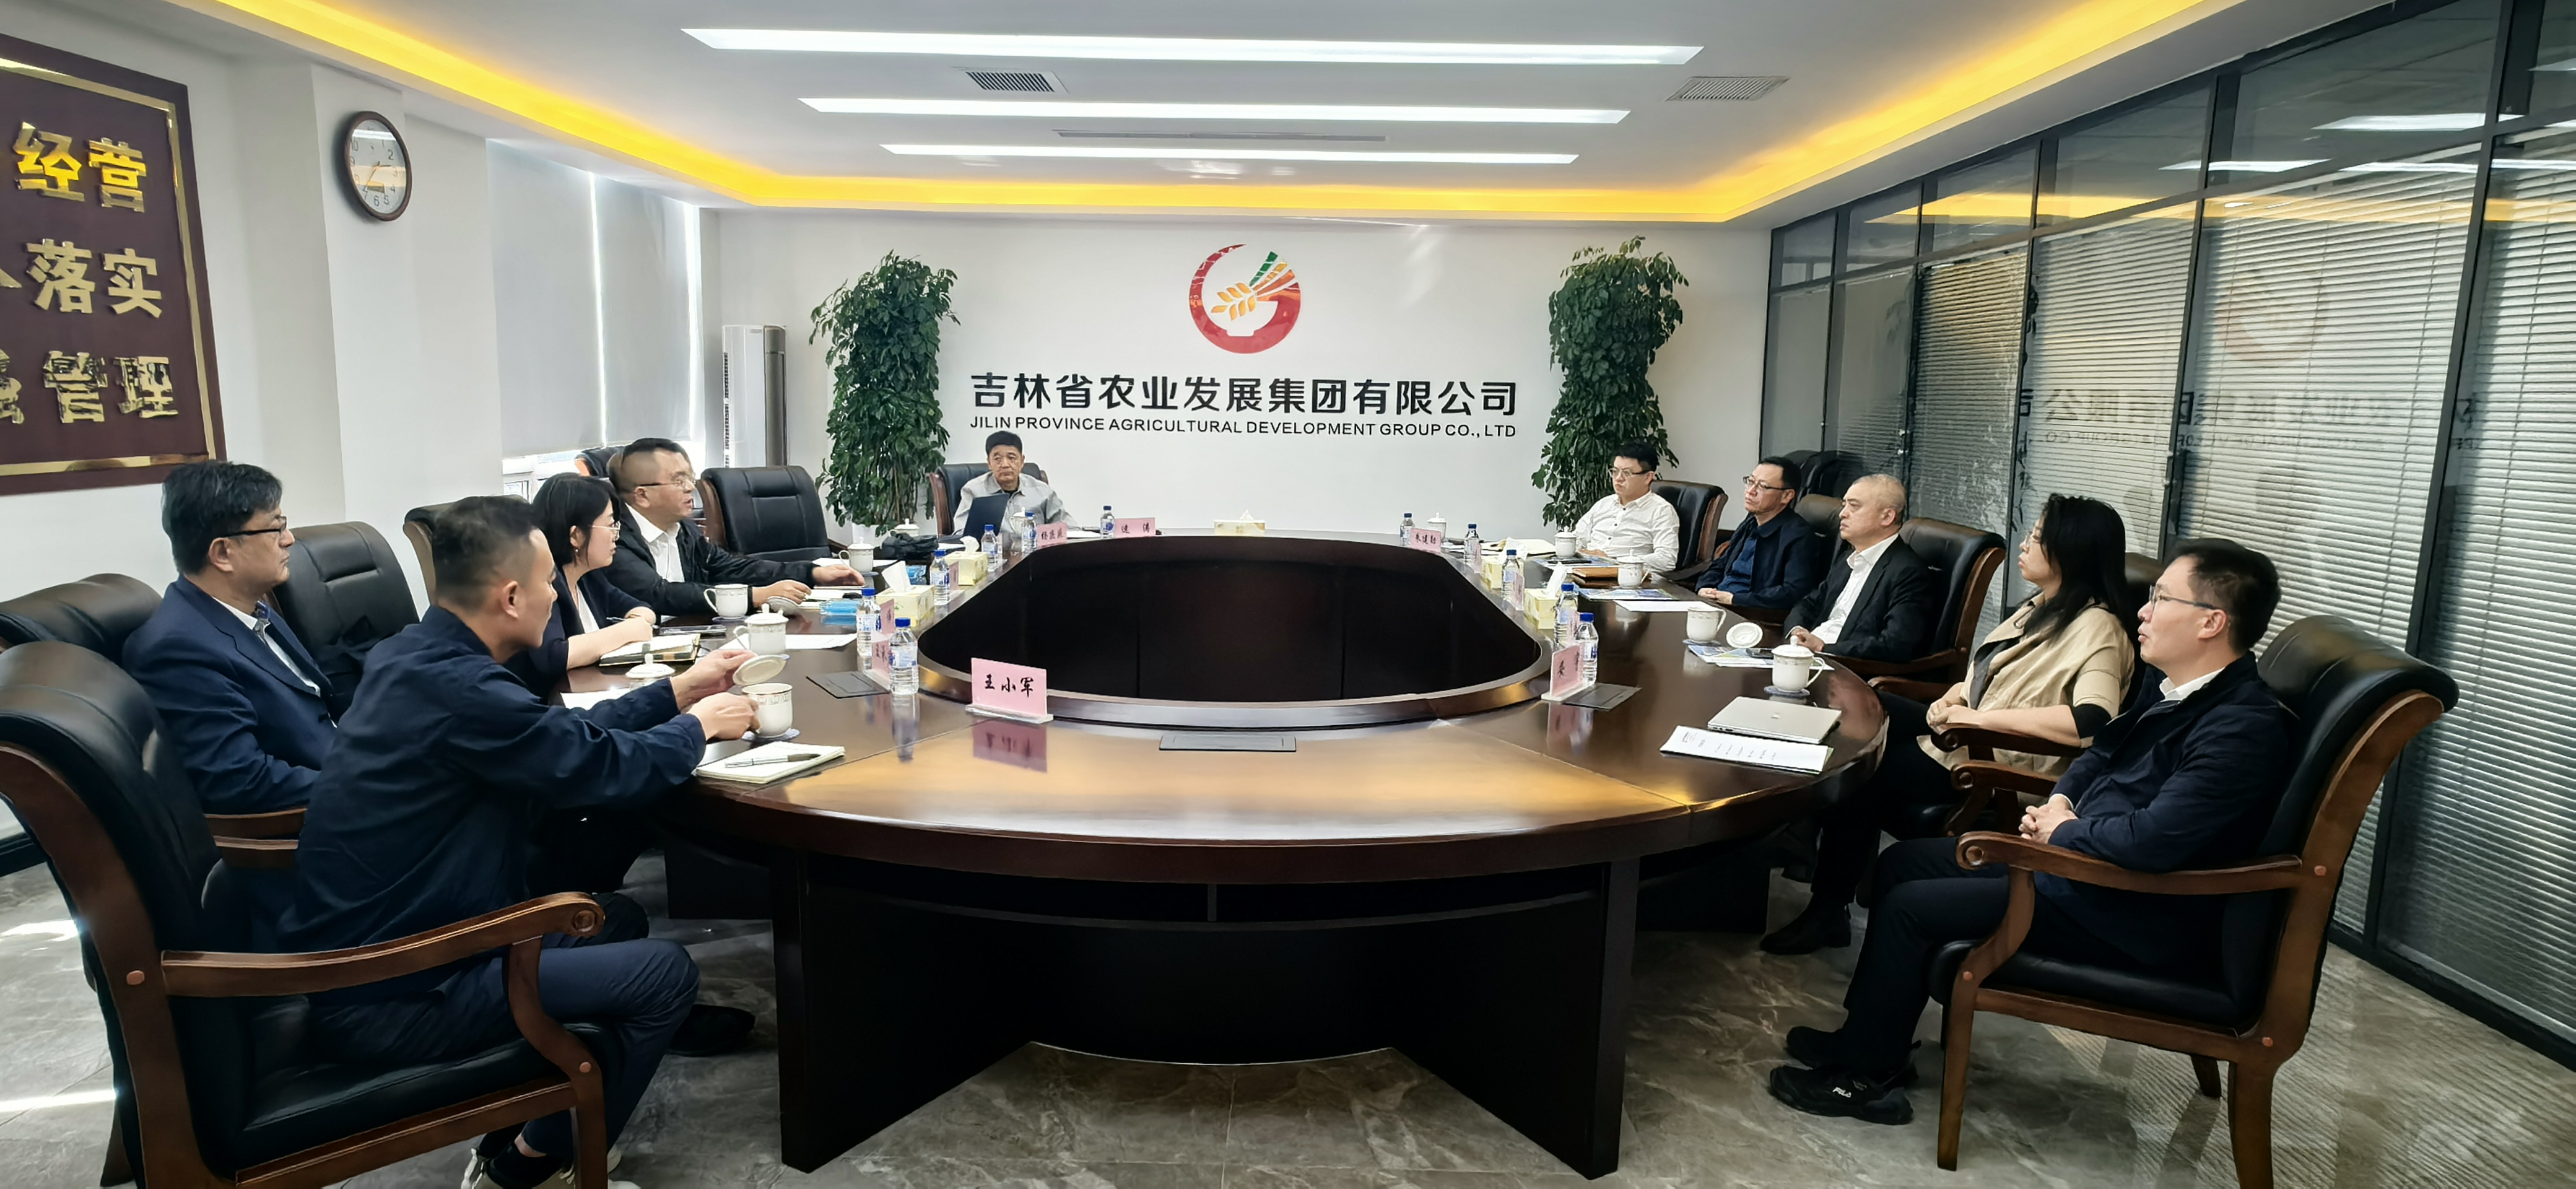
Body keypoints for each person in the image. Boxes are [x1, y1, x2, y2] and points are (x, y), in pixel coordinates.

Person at [282, 497, 760, 1189]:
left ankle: (543, 1116)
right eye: (545, 585)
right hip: (402, 984)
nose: (554, 597)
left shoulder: (414, 655)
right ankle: (533, 1168)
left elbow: (555, 737)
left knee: (614, 917)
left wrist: (678, 692)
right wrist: (699, 727)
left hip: (407, 936)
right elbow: (598, 768)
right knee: (663, 975)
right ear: (510, 597)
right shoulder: (458, 687)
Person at [1767, 539, 2291, 1126]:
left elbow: (2153, 841)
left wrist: (2065, 832)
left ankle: (1865, 1080)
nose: (2143, 610)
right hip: (2085, 869)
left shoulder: (2241, 727)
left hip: (2127, 909)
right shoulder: (2174, 687)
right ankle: (1869, 1041)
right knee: (1902, 864)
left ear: (2211, 622)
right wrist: (2062, 799)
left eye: (2163, 598)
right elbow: (2102, 751)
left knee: (1915, 907)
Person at [1761, 495, 2139, 955]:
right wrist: (1956, 695)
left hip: (1995, 759)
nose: (2025, 544)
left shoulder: (2099, 628)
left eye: (2038, 537)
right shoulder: (2043, 605)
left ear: (2072, 551)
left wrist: (1979, 717)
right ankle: (1795, 833)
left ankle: (1826, 910)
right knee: (1859, 708)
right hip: (1965, 732)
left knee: (1861, 769)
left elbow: (2091, 720)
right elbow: (1995, 670)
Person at [124, 460, 339, 814]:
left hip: (342, 762)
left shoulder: (253, 608)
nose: (289, 539)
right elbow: (241, 779)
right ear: (223, 553)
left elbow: (317, 704)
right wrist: (363, 784)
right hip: (319, 815)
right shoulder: (177, 651)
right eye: (276, 528)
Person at [600, 437, 859, 616]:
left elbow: (732, 567)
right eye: (678, 481)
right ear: (642, 495)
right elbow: (659, 594)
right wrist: (754, 596)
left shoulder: (684, 530)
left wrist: (812, 573)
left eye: (690, 477)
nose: (690, 488)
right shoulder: (613, 537)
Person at [507, 474, 658, 690]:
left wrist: (637, 624)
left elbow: (642, 609)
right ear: (576, 535)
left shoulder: (589, 577)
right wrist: (628, 631)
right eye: (611, 526)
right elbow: (553, 656)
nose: (616, 535)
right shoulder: (544, 582)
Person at [1782, 474, 1934, 662]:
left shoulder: (1908, 573)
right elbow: (1810, 603)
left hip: (1845, 666)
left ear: (1887, 517)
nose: (1842, 514)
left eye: (1854, 506)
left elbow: (1895, 644)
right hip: (1807, 656)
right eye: (1844, 505)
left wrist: (1823, 648)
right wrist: (1797, 631)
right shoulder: (1849, 558)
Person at [1691, 456, 1829, 611]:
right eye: (1751, 482)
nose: (1750, 491)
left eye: (1762, 486)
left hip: (1750, 612)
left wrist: (1736, 600)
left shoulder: (1799, 537)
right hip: (1719, 603)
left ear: (1787, 496)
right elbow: (1721, 564)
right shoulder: (1751, 523)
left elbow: (1794, 592)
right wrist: (1704, 587)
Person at [1569, 442, 1681, 575]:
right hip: (1582, 570)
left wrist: (1612, 561)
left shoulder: (1661, 511)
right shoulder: (1604, 504)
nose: (1618, 479)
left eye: (1627, 473)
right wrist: (1574, 551)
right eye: (1615, 471)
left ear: (1648, 477)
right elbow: (1577, 538)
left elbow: (1666, 560)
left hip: (1623, 577)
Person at [957, 430, 1068, 528]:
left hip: (1034, 546)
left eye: (1011, 458)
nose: (1005, 465)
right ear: (989, 463)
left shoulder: (1042, 491)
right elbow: (961, 534)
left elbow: (1068, 528)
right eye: (998, 459)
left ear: (1022, 461)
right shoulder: (974, 491)